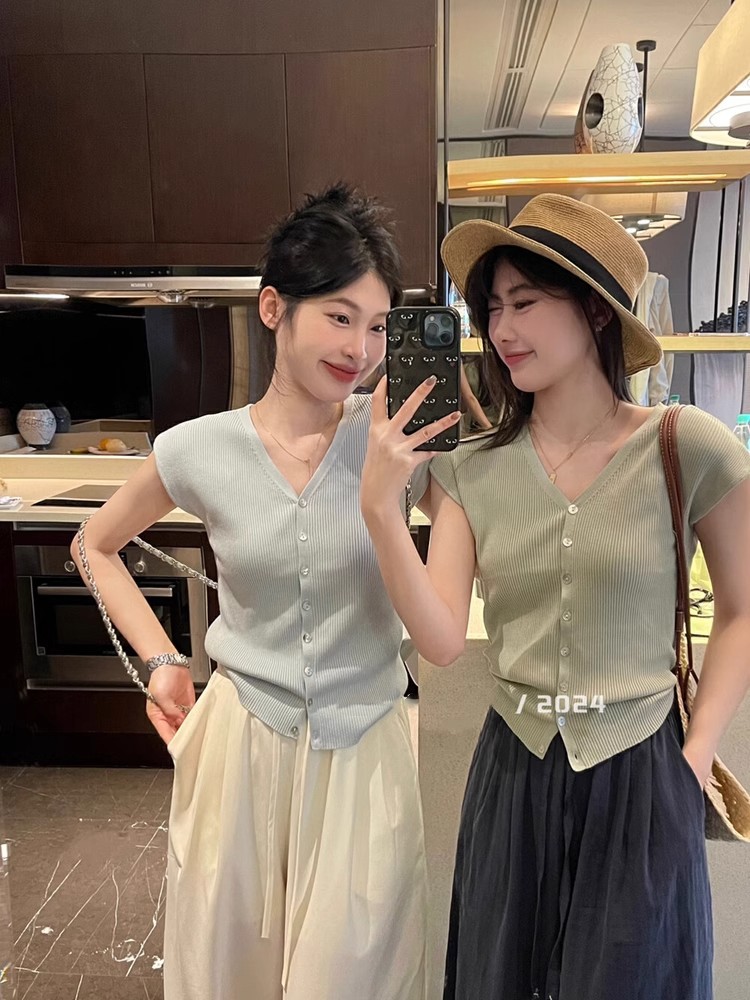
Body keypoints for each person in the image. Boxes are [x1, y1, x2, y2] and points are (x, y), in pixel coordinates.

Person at [360, 193, 750, 1000]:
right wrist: (381, 509)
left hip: (642, 771)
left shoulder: (686, 444)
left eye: (526, 302)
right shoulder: (471, 469)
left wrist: (695, 757)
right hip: (515, 772)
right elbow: (440, 640)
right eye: (493, 308)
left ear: (598, 312)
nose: (502, 329)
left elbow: (744, 610)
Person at [72, 184, 428, 1000]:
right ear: (274, 309)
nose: (361, 349)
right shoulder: (199, 449)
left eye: (378, 326)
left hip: (363, 753)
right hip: (240, 749)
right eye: (339, 317)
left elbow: (485, 526)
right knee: (227, 977)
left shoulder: (397, 440)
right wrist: (162, 660)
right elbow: (95, 544)